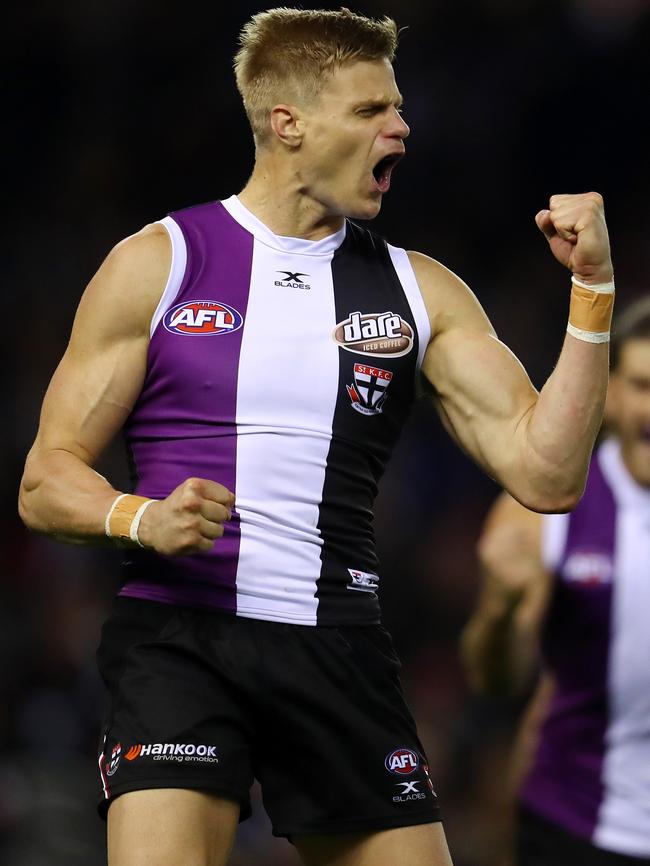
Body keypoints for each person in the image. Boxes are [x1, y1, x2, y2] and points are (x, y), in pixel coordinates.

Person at [18, 8, 614, 866]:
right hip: (181, 639)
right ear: (287, 122)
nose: (401, 126)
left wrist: (591, 294)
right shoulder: (163, 261)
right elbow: (45, 478)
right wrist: (139, 518)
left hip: (338, 644)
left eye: (399, 107)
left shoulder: (419, 290)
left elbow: (549, 474)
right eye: (372, 110)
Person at [461, 298, 650, 866]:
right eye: (642, 385)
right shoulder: (549, 509)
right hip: (579, 827)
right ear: (612, 393)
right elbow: (496, 680)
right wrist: (499, 606)